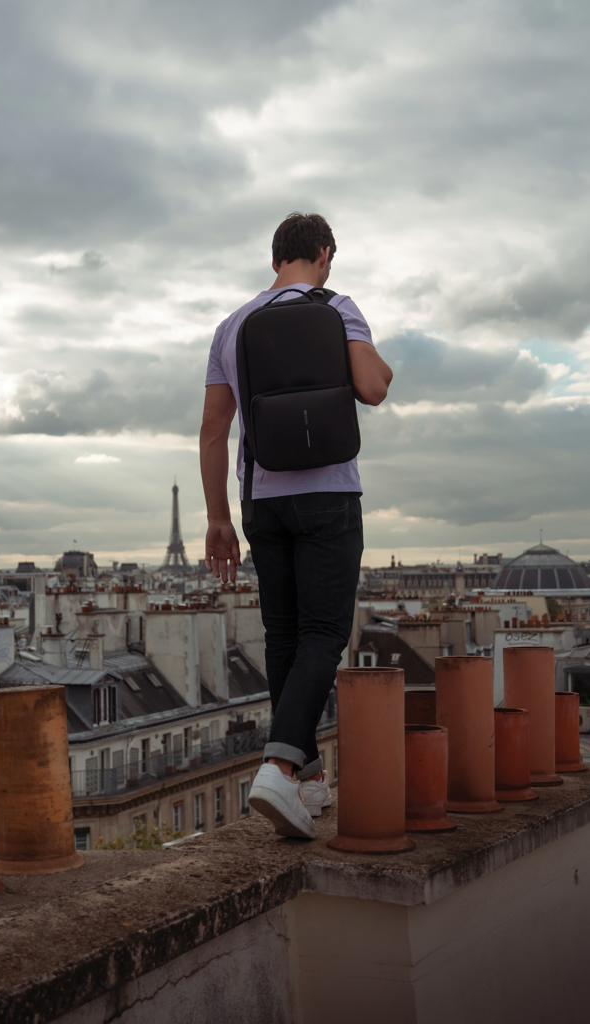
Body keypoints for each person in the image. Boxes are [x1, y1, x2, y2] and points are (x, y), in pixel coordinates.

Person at [200, 212, 393, 839]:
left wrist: (217, 517)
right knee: (324, 633)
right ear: (325, 254)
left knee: (282, 635)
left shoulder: (233, 325)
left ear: (275, 258)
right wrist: (380, 363)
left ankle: (306, 782)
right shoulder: (337, 308)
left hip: (261, 499)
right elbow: (372, 388)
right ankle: (279, 767)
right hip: (327, 493)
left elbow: (214, 429)